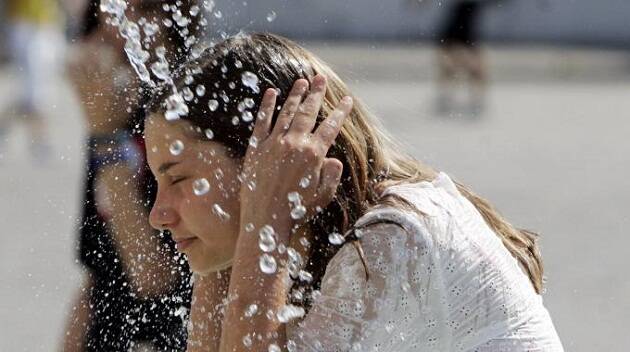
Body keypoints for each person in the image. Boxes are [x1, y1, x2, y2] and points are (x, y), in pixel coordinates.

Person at [144, 33, 564, 351]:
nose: (157, 214)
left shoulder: (392, 239)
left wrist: (264, 218)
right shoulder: (324, 236)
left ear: (269, 161)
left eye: (178, 179)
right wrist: (238, 246)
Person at [62, 1, 199, 350]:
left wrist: (105, 138)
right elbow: (100, 274)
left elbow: (154, 277)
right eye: (109, 9)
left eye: (142, 9)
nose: (116, 23)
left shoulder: (185, 113)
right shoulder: (115, 106)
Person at [0, 0, 64, 161]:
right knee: (35, 93)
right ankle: (40, 138)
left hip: (49, 23)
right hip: (25, 26)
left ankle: (6, 129)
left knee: (39, 92)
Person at [435, 0, 493, 117]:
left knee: (471, 69)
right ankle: (446, 97)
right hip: (457, 34)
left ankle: (473, 98)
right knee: (453, 68)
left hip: (463, 34)